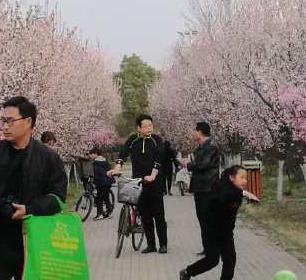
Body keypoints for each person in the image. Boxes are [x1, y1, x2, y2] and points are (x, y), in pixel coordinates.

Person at [0, 97, 68, 280]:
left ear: (28, 121)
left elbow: (57, 198)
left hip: (32, 241)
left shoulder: (48, 157)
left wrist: (30, 210)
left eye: (10, 121)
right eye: (3, 121)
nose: (5, 127)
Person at [179, 165, 258, 280]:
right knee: (212, 260)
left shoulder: (236, 191)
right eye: (241, 177)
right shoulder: (222, 188)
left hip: (225, 231)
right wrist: (244, 193)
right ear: (231, 177)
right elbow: (224, 196)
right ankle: (187, 272)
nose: (244, 181)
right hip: (211, 230)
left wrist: (245, 196)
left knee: (230, 260)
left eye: (245, 178)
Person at [107, 113, 168, 253]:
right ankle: (151, 245)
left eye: (150, 125)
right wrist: (116, 169)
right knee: (145, 215)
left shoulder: (157, 140)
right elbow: (122, 155)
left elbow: (159, 159)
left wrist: (152, 175)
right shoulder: (133, 140)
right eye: (145, 126)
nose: (149, 128)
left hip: (155, 181)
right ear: (138, 128)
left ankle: (163, 244)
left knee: (158, 215)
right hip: (138, 183)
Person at [186, 121, 221, 255]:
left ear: (199, 132)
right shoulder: (201, 147)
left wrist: (188, 165)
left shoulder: (211, 147)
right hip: (200, 187)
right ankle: (208, 248)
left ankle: (214, 248)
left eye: (194, 131)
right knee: (202, 218)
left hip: (209, 188)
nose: (193, 134)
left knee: (208, 219)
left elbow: (203, 165)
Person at [88, 147, 113, 220]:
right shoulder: (104, 160)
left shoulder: (96, 162)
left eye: (91, 154)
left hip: (102, 182)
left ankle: (100, 214)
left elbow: (98, 174)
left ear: (95, 154)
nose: (90, 155)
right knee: (106, 197)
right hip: (108, 181)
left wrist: (94, 181)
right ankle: (109, 212)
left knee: (99, 198)